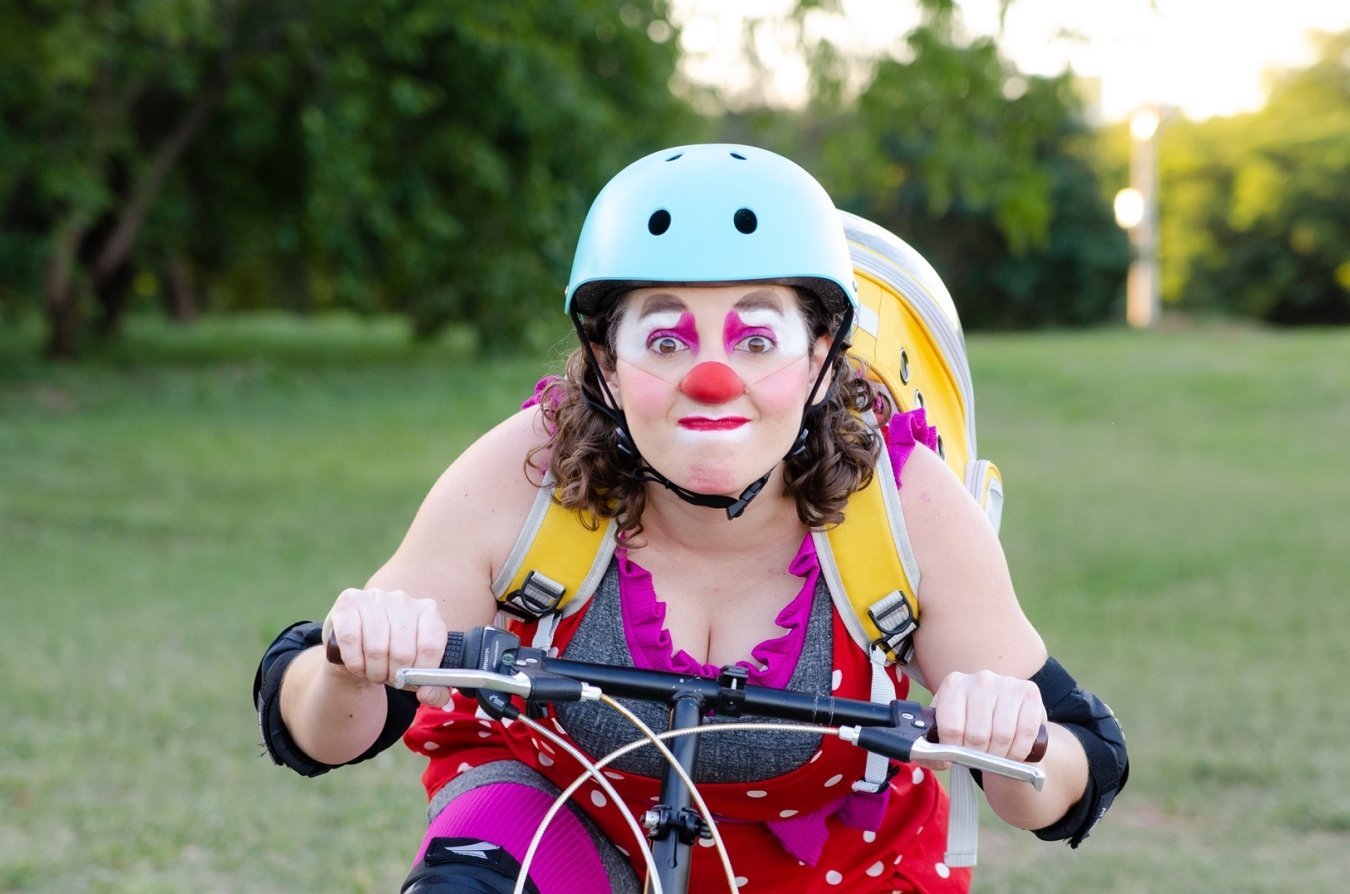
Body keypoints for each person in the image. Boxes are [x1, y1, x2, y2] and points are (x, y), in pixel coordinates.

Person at [254, 144, 1128, 893]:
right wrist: (347, 669)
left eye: (757, 339)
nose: (713, 378)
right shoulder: (529, 472)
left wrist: (1015, 739)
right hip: (562, 814)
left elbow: (1079, 766)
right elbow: (315, 733)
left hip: (834, 861)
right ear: (604, 359)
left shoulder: (903, 505)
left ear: (823, 353)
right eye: (666, 340)